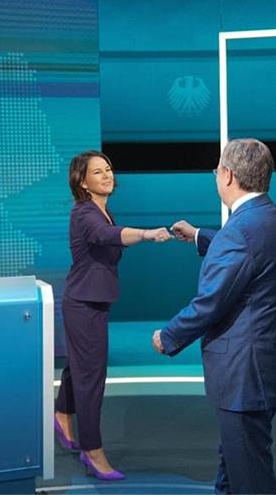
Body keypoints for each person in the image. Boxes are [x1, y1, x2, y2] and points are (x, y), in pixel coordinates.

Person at [152, 138, 276, 494]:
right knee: (234, 471)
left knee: (250, 480)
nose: (215, 175)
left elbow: (210, 302)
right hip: (270, 366)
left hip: (244, 375)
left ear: (229, 176)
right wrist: (201, 237)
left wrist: (169, 336)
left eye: (217, 169)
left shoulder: (240, 231)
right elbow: (252, 253)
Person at [54, 150, 173, 481]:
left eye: (108, 169)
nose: (107, 175)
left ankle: (63, 412)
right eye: (97, 172)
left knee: (81, 366)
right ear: (82, 181)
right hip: (83, 305)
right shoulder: (84, 214)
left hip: (91, 302)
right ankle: (92, 451)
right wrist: (147, 234)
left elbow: (111, 238)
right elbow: (109, 237)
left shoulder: (103, 211)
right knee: (92, 378)